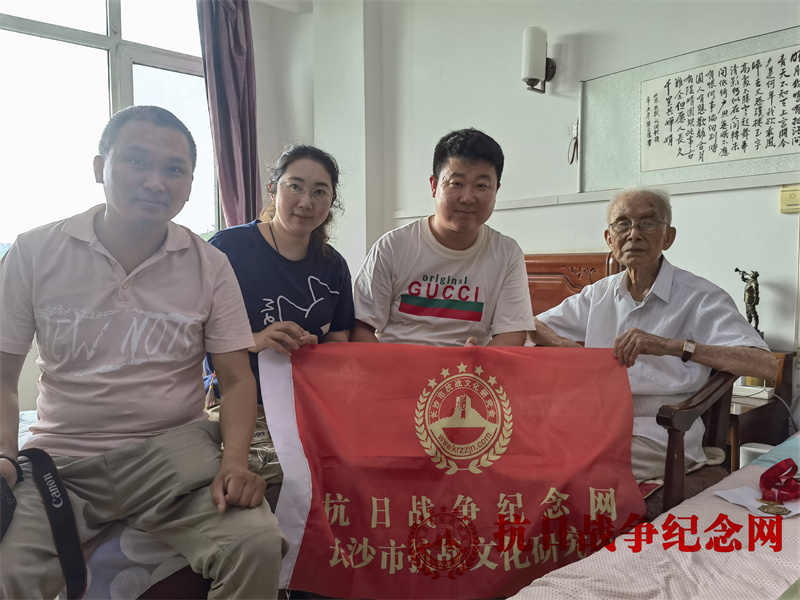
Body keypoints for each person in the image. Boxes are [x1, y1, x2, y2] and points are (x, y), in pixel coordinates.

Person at [0, 106, 287, 598]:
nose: (155, 182)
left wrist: (235, 462)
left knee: (257, 544)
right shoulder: (33, 252)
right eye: (136, 161)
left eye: (174, 169)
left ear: (190, 184)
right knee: (9, 571)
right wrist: (5, 452)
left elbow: (237, 380)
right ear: (100, 167)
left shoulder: (211, 264)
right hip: (64, 463)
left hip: (175, 455)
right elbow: (4, 378)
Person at [530, 188, 777, 482]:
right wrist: (567, 347)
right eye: (622, 224)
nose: (634, 234)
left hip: (662, 432)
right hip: (596, 422)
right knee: (523, 449)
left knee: (572, 467)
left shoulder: (700, 296)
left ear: (668, 237)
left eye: (648, 223)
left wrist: (672, 346)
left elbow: (765, 365)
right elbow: (530, 325)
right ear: (609, 239)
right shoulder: (598, 294)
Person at [203, 144, 354, 499]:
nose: (306, 202)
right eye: (295, 186)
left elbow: (339, 339)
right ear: (273, 189)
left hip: (307, 404)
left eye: (320, 192)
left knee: (351, 471)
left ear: (331, 202)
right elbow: (191, 334)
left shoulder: (333, 266)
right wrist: (254, 339)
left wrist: (317, 351)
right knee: (280, 479)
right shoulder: (228, 249)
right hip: (240, 404)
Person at [351, 128, 535, 347]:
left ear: (496, 190)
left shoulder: (507, 253)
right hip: (397, 364)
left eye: (481, 186)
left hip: (468, 367)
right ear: (434, 186)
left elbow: (512, 333)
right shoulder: (392, 246)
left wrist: (479, 362)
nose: (468, 198)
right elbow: (360, 327)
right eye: (456, 183)